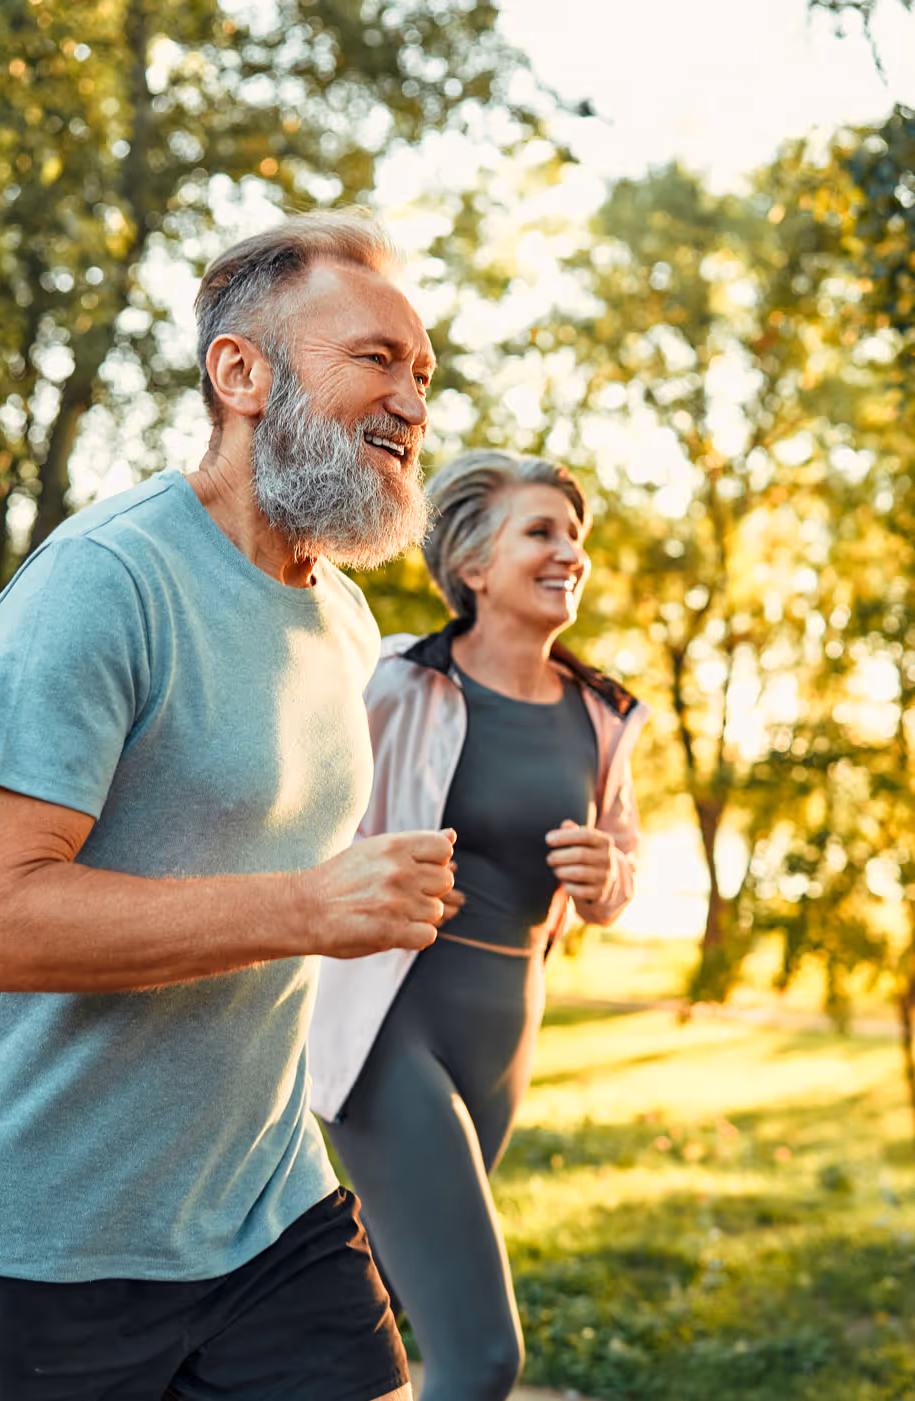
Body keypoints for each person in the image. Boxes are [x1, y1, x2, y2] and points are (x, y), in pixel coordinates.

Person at [0, 210, 457, 1401]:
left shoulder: (339, 618)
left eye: (425, 375)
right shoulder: (103, 586)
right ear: (240, 373)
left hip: (265, 1211)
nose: (412, 404)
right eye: (375, 360)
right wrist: (303, 907)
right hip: (39, 1240)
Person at [309, 450, 649, 1401]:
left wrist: (606, 873)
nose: (568, 553)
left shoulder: (602, 714)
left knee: (364, 1308)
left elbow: (621, 869)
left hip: (502, 1030)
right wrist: (376, 875)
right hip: (388, 1024)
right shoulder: (390, 681)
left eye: (574, 536)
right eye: (540, 531)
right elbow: (306, 823)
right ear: (472, 566)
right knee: (481, 1356)